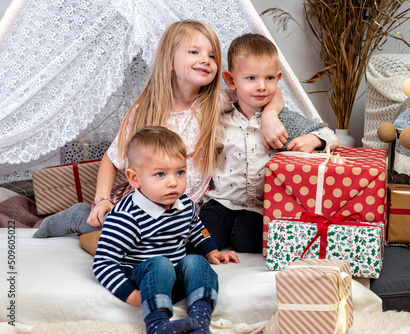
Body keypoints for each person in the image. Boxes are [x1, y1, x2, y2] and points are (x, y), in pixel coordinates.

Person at [33, 20, 286, 246]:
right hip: (144, 203)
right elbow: (111, 159)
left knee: (175, 244)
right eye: (194, 52)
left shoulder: (215, 103)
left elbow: (266, 90)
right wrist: (101, 199)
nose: (206, 60)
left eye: (212, 55)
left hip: (187, 206)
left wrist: (270, 116)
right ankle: (78, 217)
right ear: (169, 61)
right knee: (123, 237)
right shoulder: (147, 111)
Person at [199, 33, 339, 253]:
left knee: (250, 239)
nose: (262, 86)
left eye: (269, 78)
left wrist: (314, 139)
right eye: (251, 78)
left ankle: (237, 234)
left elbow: (329, 134)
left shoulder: (283, 120)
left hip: (259, 207)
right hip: (221, 201)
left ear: (278, 77)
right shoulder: (220, 118)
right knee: (205, 238)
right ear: (231, 80)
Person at [93, 126, 239, 334]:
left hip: (174, 281)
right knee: (160, 264)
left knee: (196, 261)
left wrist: (211, 250)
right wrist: (134, 295)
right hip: (144, 281)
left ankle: (200, 321)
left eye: (180, 172)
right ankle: (157, 324)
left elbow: (196, 228)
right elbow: (103, 264)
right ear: (135, 178)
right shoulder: (126, 217)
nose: (173, 182)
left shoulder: (184, 204)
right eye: (160, 174)